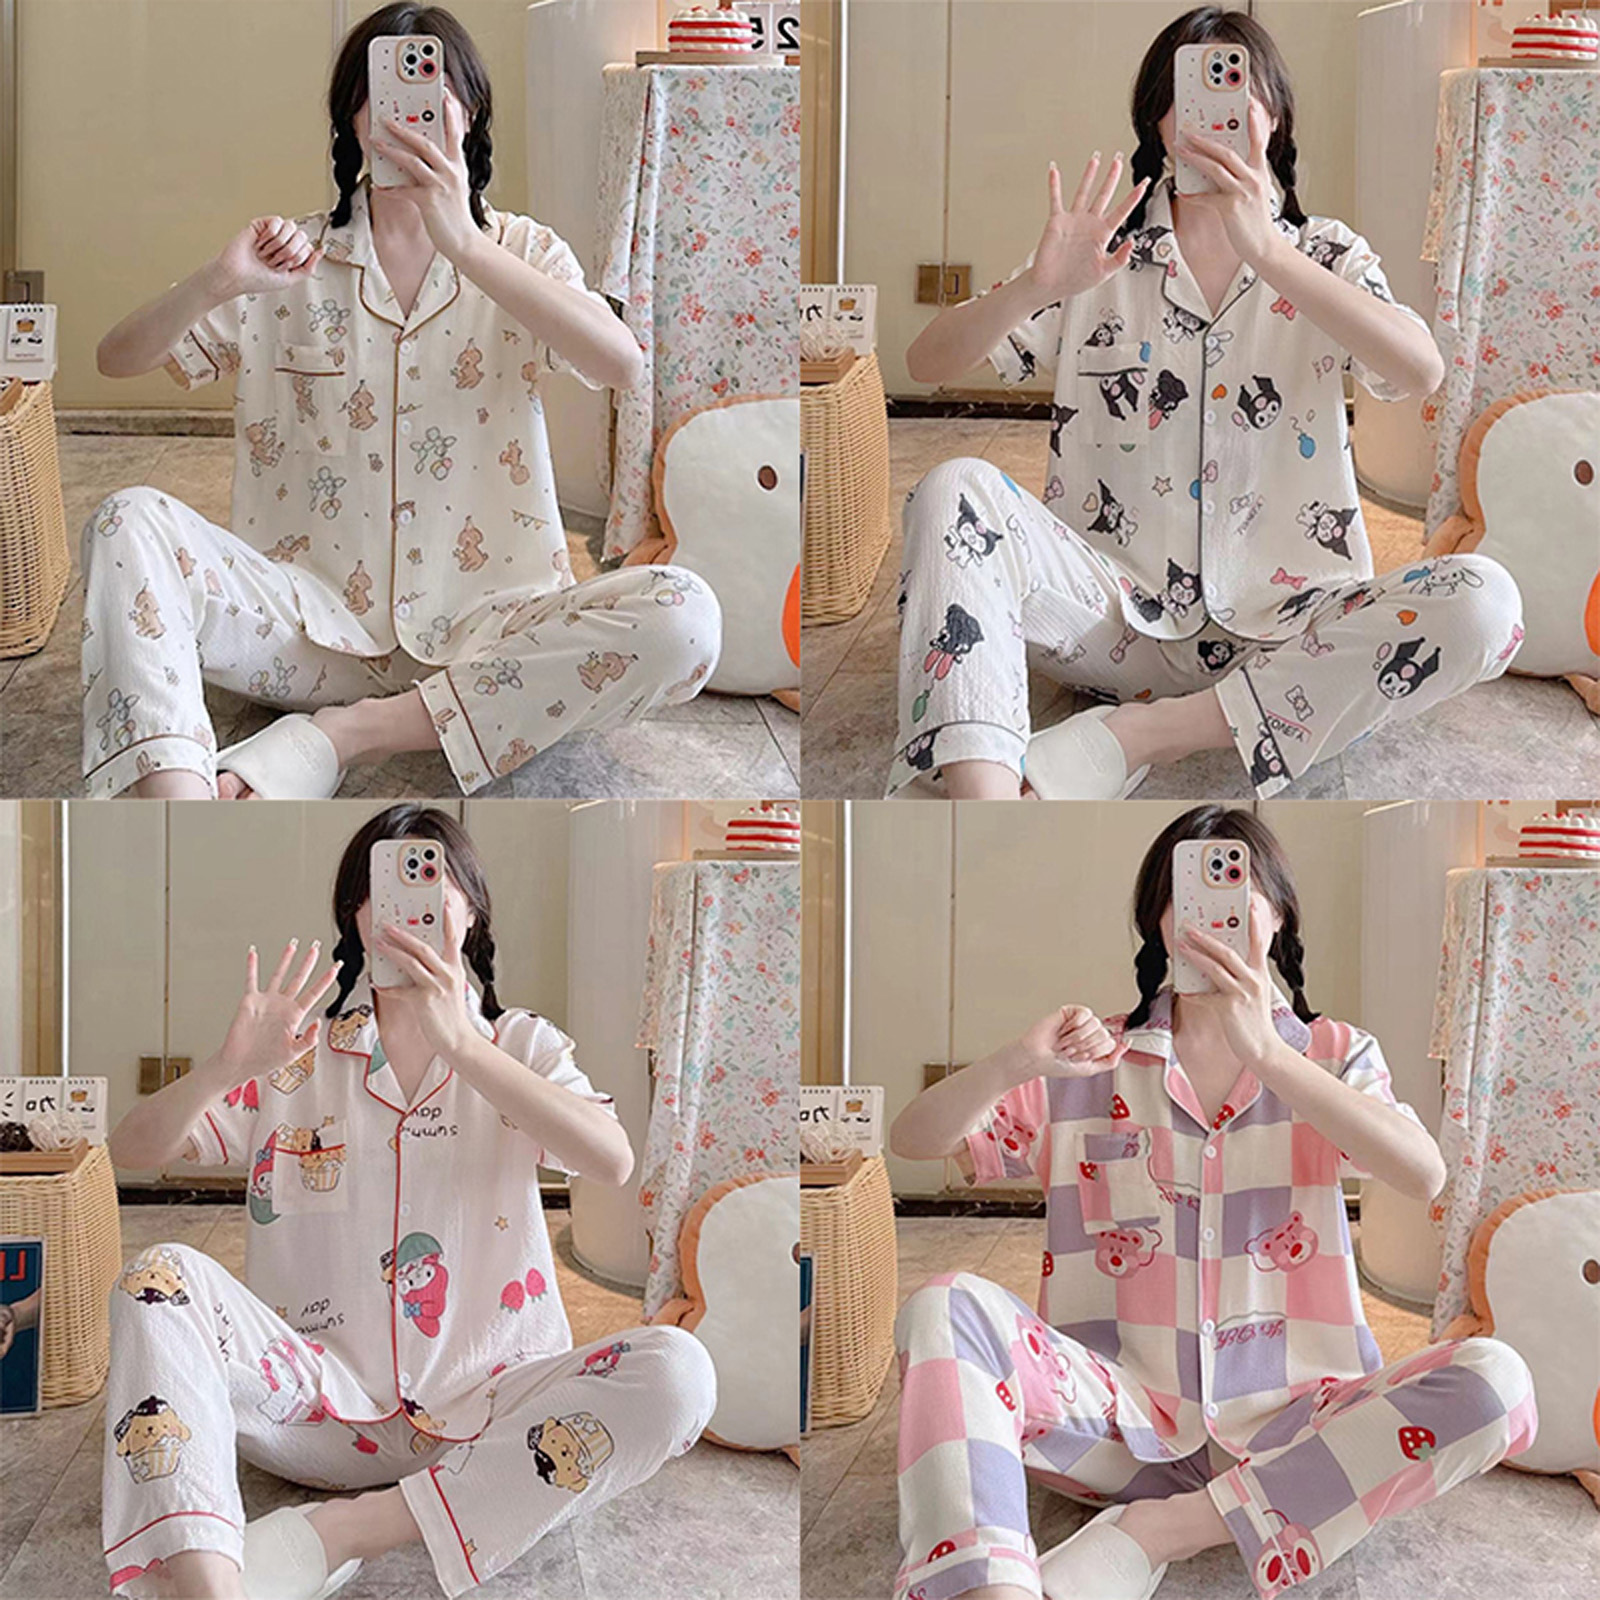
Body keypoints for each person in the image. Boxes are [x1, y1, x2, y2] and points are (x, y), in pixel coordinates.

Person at [888, 807, 1536, 1600]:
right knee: (942, 1306)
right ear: (1158, 922)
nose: (1210, 912)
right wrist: (1015, 1062)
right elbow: (914, 1141)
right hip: (1118, 1426)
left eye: (1237, 887)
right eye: (1184, 893)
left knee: (1498, 1381)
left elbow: (1424, 1174)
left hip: (1300, 1426)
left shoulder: (1334, 1056)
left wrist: (1267, 1052)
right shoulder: (1092, 1058)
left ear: (1278, 914)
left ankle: (1166, 1531)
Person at [86, 3, 720, 801]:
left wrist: (465, 246)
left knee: (685, 615)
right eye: (380, 92)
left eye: (430, 89)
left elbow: (621, 363)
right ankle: (178, 811)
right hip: (303, 632)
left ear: (469, 112)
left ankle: (347, 736)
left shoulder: (521, 252)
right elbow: (116, 359)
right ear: (351, 118)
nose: (404, 112)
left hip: (492, 636)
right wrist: (220, 282)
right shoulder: (290, 261)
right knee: (126, 519)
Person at [891, 7, 1521, 800]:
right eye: (1189, 92)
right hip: (1111, 623)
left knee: (1485, 603)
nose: (1213, 112)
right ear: (1157, 120)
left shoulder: (1325, 254)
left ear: (1275, 116)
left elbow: (1420, 370)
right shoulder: (1098, 256)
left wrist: (1271, 253)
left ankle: (1147, 735)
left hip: (1294, 631)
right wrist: (1034, 288)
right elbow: (926, 363)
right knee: (953, 487)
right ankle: (982, 803)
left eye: (1237, 88)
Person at [101, 806, 715, 1599]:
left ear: (471, 911)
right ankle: (206, 1586)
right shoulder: (295, 1055)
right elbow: (131, 1150)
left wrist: (461, 1043)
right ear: (355, 917)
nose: (405, 903)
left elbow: (611, 1160)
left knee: (680, 1371)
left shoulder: (520, 1046)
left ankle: (351, 1531)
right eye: (380, 887)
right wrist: (225, 1068)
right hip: (314, 1411)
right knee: (157, 1274)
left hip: (494, 1412)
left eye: (432, 879)